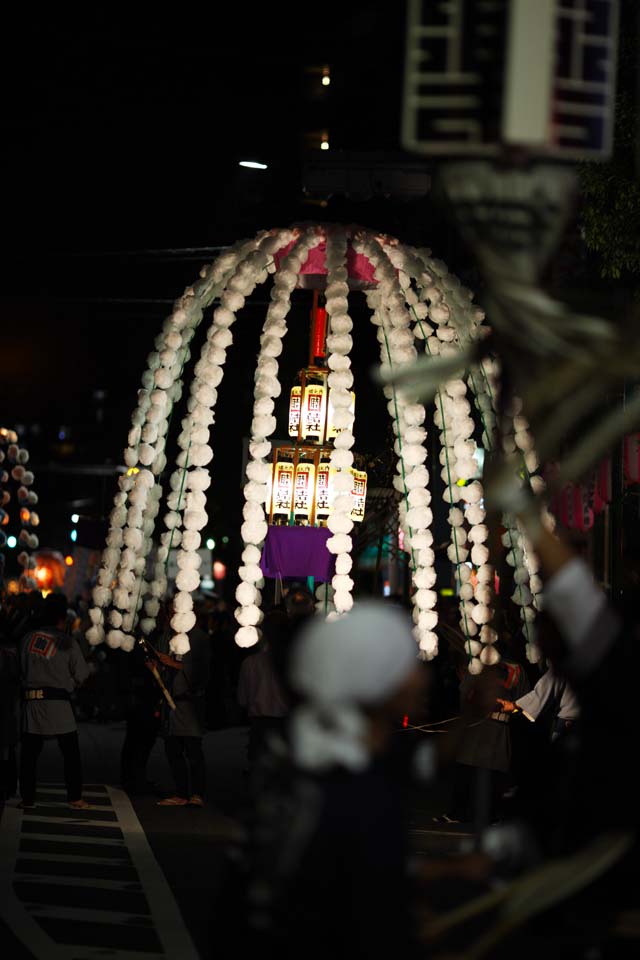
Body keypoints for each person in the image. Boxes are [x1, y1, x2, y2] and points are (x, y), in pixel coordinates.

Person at [238, 600, 435, 959]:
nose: (420, 677)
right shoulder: (349, 791)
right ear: (373, 678)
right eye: (405, 665)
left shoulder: (322, 760)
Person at [18, 591, 92, 810]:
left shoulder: (27, 639)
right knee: (70, 754)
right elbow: (82, 675)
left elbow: (19, 671)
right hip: (59, 704)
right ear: (63, 616)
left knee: (29, 755)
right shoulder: (66, 642)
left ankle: (28, 798)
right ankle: (75, 797)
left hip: (32, 703)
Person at [156, 605, 212, 808]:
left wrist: (172, 664)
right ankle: (181, 791)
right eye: (169, 613)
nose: (172, 616)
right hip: (169, 700)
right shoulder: (165, 637)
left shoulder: (198, 638)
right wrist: (157, 665)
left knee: (193, 749)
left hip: (189, 702)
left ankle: (197, 792)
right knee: (173, 750)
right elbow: (162, 663)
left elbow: (202, 670)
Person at [237, 607, 291, 786]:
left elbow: (242, 699)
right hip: (285, 724)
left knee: (260, 771)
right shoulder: (295, 661)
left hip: (260, 723)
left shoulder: (250, 663)